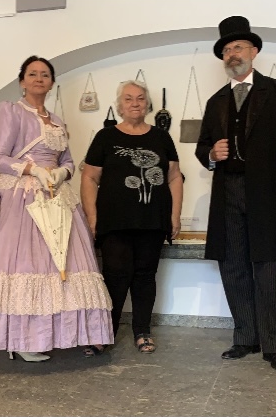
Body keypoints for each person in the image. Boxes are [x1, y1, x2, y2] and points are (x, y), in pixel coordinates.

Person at [0, 55, 114, 361]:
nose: (39, 79)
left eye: (45, 75)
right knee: (21, 266)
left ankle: (40, 335)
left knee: (55, 267)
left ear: (52, 83)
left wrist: (61, 172)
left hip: (55, 197)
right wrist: (31, 170)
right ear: (22, 81)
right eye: (33, 74)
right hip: (20, 197)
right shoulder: (11, 111)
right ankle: (18, 339)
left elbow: (68, 160)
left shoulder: (58, 121)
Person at [194, 15, 276, 371]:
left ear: (254, 51)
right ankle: (245, 337)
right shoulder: (216, 101)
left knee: (267, 266)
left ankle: (274, 345)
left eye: (238, 47)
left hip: (267, 191)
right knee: (233, 265)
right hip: (227, 191)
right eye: (226, 50)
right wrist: (211, 155)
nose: (232, 54)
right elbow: (202, 147)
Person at [81, 80, 183, 354]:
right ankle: (105, 333)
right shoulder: (105, 137)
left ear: (147, 104)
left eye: (140, 98)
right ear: (120, 105)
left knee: (145, 276)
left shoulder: (161, 138)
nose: (135, 103)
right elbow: (89, 177)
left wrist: (175, 215)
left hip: (152, 220)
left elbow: (174, 177)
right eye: (128, 99)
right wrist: (92, 217)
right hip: (114, 221)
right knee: (115, 276)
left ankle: (142, 331)